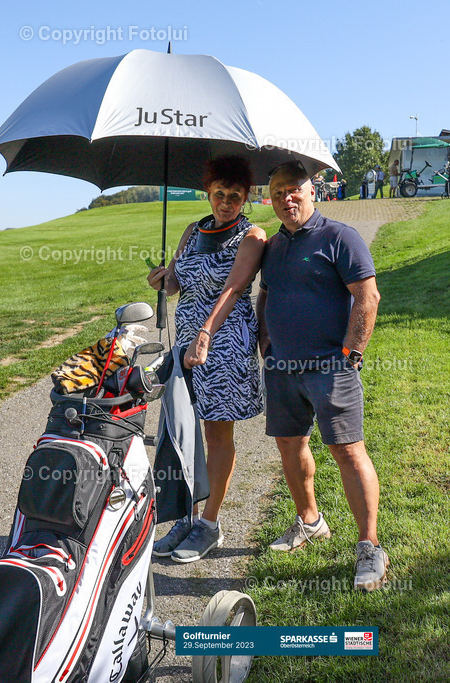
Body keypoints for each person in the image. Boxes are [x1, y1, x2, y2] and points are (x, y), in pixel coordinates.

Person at [256, 161, 388, 592]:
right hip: (282, 369)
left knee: (348, 453)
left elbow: (368, 297)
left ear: (313, 192)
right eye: (277, 193)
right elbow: (266, 295)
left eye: (294, 190)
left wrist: (352, 354)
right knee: (290, 447)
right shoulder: (273, 247)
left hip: (332, 368)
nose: (286, 199)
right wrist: (266, 344)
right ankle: (310, 522)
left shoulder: (339, 238)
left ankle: (369, 547)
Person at [147, 156, 266, 563]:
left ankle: (210, 525)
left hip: (225, 343)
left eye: (235, 196)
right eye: (220, 194)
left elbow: (233, 290)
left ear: (246, 197)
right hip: (188, 343)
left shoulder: (252, 236)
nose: (227, 202)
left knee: (216, 433)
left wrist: (205, 335)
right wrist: (165, 278)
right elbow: (180, 284)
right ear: (208, 193)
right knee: (183, 429)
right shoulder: (192, 230)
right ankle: (186, 514)